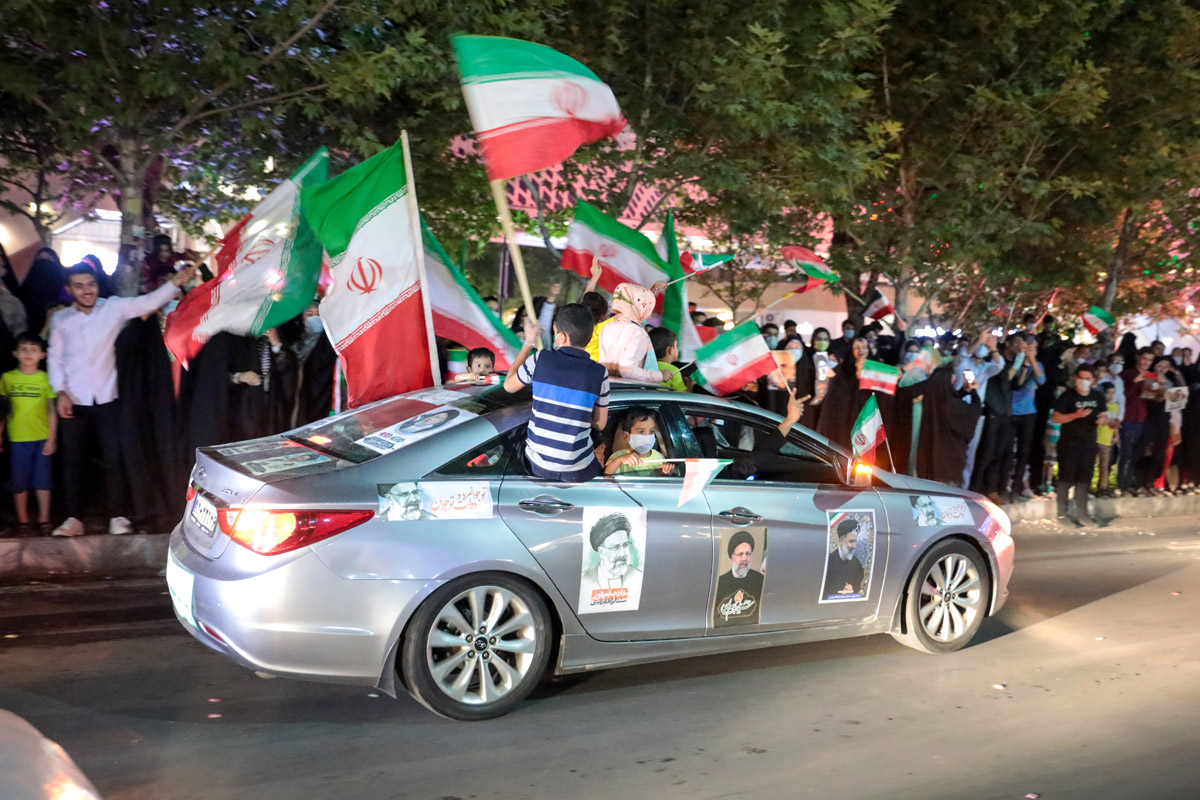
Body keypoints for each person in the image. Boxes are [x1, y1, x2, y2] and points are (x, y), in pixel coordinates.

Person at [48, 262, 195, 537]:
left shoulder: (113, 308)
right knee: (73, 462)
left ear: (97, 285)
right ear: (69, 290)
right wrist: (60, 391)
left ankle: (118, 515)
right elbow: (55, 358)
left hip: (109, 397)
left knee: (115, 460)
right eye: (79, 286)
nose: (86, 290)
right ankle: (73, 518)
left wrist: (175, 282)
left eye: (91, 284)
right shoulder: (61, 320)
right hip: (73, 400)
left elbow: (148, 302)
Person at [504, 303, 610, 482]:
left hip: (537, 465)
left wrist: (528, 344)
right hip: (578, 469)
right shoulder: (600, 373)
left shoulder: (540, 359)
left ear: (562, 336)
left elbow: (509, 385)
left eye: (554, 332)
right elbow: (600, 424)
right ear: (590, 335)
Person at [0, 334, 57, 535]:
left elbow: (52, 410)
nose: (28, 354)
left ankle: (44, 520)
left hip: (42, 438)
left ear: (42, 355)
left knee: (43, 481)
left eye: (33, 350)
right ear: (15, 353)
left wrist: (52, 439)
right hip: (17, 439)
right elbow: (2, 411)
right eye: (23, 349)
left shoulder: (46, 378)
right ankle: (23, 521)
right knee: (19, 481)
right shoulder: (7, 378)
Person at [1051, 364, 1108, 525]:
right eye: (1081, 378)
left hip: (1089, 444)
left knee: (1084, 479)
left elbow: (1104, 414)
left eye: (1087, 378)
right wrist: (1075, 415)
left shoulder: (1097, 396)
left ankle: (1082, 514)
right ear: (1075, 378)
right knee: (1065, 479)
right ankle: (1062, 514)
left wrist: (1103, 420)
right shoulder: (1067, 396)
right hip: (1069, 444)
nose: (1084, 381)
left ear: (1093, 380)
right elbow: (1056, 418)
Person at [954, 332, 1005, 488]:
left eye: (985, 347)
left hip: (975, 411)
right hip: (958, 408)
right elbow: (963, 356)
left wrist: (993, 348)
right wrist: (978, 341)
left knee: (970, 453)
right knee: (954, 447)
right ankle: (949, 485)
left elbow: (1000, 365)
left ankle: (963, 487)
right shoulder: (963, 362)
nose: (982, 348)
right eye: (980, 345)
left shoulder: (986, 368)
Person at [598, 283, 672, 384]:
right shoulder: (637, 332)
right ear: (642, 307)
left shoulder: (607, 327)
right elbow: (627, 371)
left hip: (606, 387)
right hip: (629, 389)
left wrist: (650, 292)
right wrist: (660, 375)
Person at [1008, 337, 1046, 499]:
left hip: (1028, 412)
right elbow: (1014, 383)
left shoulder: (1038, 365)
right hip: (1011, 411)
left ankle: (1019, 486)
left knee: (1024, 451)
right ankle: (1006, 483)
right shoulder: (1014, 363)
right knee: (1007, 450)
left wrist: (1032, 361)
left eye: (1034, 348)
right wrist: (1022, 362)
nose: (1031, 350)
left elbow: (1041, 380)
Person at [579, 512, 643, 601]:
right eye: (615, 547)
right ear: (601, 552)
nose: (622, 554)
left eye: (625, 545)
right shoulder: (586, 579)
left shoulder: (637, 575)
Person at [1118, 349, 1155, 491]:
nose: (1146, 362)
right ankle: (1122, 484)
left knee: (1136, 453)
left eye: (1150, 360)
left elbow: (1151, 399)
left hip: (1142, 418)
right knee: (1126, 452)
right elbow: (1121, 395)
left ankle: (1131, 483)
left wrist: (1159, 390)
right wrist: (1135, 382)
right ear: (1138, 357)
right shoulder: (1127, 374)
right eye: (1144, 358)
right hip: (1127, 417)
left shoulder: (1150, 376)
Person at [713, 530, 765, 627]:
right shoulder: (719, 584)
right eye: (740, 554)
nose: (744, 558)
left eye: (748, 554)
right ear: (732, 557)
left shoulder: (761, 581)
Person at [605, 407, 674, 476]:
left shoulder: (659, 457)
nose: (647, 437)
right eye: (641, 432)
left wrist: (667, 469)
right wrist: (619, 460)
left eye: (651, 431)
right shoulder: (619, 456)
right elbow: (606, 476)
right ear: (626, 435)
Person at [822, 517, 865, 598]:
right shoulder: (827, 562)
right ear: (841, 540)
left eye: (856, 541)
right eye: (851, 541)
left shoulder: (856, 563)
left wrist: (852, 590)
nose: (854, 546)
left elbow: (857, 585)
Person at [1095, 381, 1120, 496]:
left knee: (1105, 465)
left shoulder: (1114, 407)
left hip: (1107, 439)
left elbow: (1115, 423)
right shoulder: (1099, 406)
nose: (1111, 396)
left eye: (1113, 393)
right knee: (1092, 464)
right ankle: (1088, 486)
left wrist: (1116, 435)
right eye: (1108, 393)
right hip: (1097, 438)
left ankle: (1103, 487)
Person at [648, 327, 686, 392]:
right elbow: (682, 395)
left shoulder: (644, 366)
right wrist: (691, 386)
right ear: (671, 350)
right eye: (676, 346)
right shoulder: (673, 371)